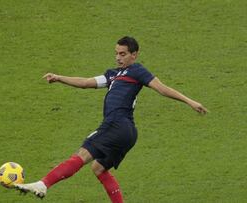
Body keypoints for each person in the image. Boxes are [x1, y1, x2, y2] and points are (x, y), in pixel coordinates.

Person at [12, 36, 208, 203]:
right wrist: (59, 77)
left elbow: (161, 88)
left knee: (82, 154)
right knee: (98, 168)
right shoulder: (113, 75)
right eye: (117, 53)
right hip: (127, 132)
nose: (118, 57)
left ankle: (43, 184)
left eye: (123, 54)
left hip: (117, 125)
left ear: (135, 54)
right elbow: (86, 83)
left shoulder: (137, 71)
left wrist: (189, 101)